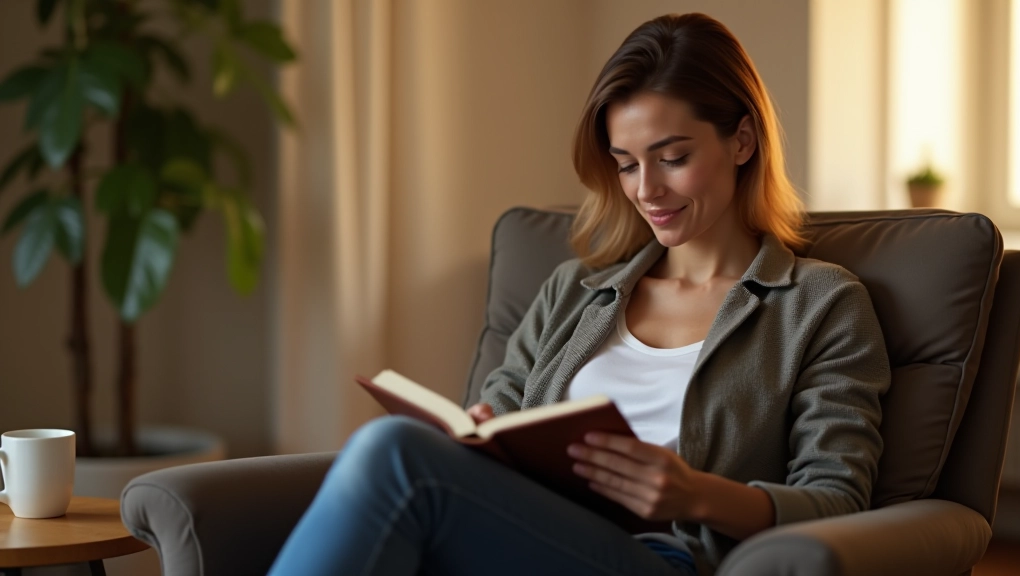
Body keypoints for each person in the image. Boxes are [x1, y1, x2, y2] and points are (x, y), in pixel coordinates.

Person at [268, 12, 890, 576]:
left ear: (742, 141)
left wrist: (694, 494)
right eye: (625, 163)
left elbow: (838, 498)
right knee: (403, 454)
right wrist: (481, 435)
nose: (646, 189)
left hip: (666, 556)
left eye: (672, 157)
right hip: (524, 537)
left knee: (389, 450)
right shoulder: (574, 292)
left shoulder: (819, 304)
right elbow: (497, 414)